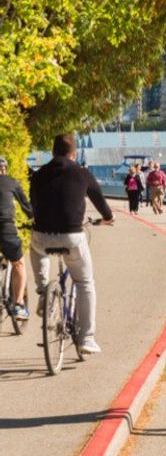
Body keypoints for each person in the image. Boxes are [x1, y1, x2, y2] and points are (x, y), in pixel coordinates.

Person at [30, 134, 114, 354]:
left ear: (53, 152)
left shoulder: (38, 175)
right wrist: (107, 218)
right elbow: (101, 202)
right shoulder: (82, 173)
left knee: (37, 248)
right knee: (85, 283)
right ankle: (87, 338)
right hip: (72, 236)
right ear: (74, 154)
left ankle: (44, 293)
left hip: (42, 235)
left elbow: (34, 206)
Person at [0, 156, 34, 320]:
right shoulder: (10, 182)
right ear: (4, 169)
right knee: (19, 263)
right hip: (6, 229)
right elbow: (27, 207)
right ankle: (19, 304)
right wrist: (34, 220)